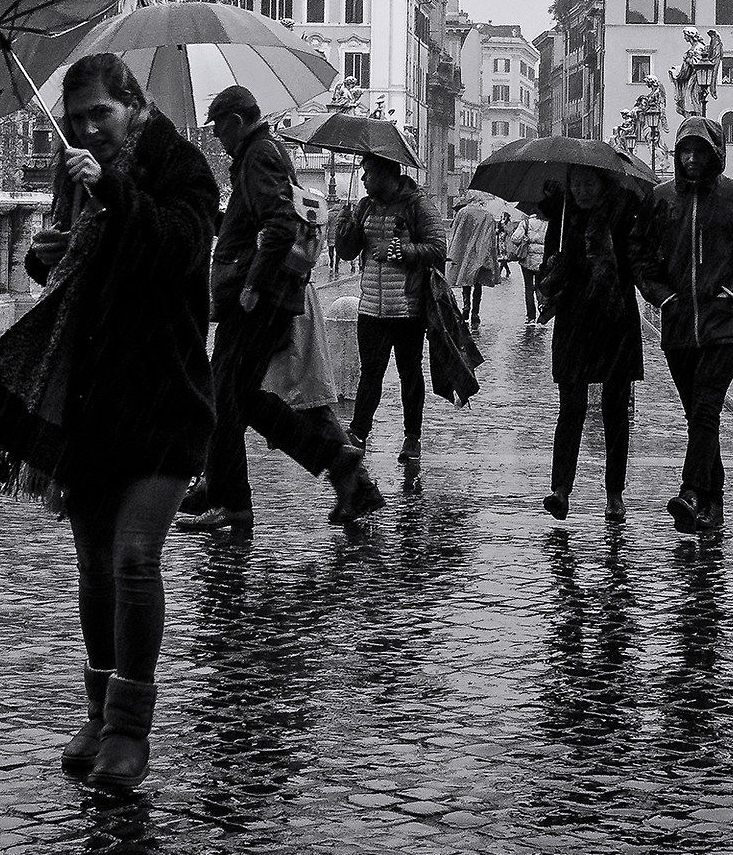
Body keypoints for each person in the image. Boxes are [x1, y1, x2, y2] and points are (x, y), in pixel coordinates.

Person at [16, 55, 222, 787]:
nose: (87, 128)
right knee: (95, 564)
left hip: (166, 394)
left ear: (133, 104)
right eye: (76, 119)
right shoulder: (74, 174)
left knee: (135, 557)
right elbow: (72, 269)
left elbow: (179, 243)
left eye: (99, 113)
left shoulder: (183, 166)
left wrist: (116, 189)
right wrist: (47, 255)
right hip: (94, 397)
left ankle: (131, 728)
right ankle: (100, 710)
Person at [180, 86, 384, 531]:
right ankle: (336, 459)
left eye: (218, 129)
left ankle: (232, 500)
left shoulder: (258, 156)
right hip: (272, 294)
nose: (217, 138)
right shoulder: (259, 156)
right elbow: (254, 222)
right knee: (244, 397)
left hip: (258, 298)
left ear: (235, 121)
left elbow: (277, 224)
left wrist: (252, 285)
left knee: (226, 396)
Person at [634, 115, 733, 536]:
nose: (692, 159)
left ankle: (692, 491)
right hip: (678, 326)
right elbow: (640, 255)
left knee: (705, 409)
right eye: (685, 151)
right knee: (699, 417)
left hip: (723, 327)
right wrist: (663, 295)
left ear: (715, 154)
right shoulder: (661, 199)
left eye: (699, 151)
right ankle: (713, 503)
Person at [538, 168, 642, 522]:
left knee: (615, 411)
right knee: (571, 408)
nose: (581, 190)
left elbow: (635, 264)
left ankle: (614, 494)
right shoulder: (563, 218)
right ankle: (561, 490)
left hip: (615, 319)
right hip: (575, 323)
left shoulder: (622, 216)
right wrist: (552, 269)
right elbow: (546, 272)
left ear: (602, 184)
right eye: (575, 183)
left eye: (588, 183)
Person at [335, 147, 447, 464]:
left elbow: (438, 249)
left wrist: (402, 251)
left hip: (407, 307)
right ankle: (358, 432)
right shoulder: (364, 206)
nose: (363, 177)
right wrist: (346, 227)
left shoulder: (418, 205)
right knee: (370, 372)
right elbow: (346, 252)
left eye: (367, 171)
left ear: (386, 173)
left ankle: (412, 437)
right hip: (371, 305)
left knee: (409, 373)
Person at [448, 193, 504, 330]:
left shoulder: (463, 212)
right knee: (478, 283)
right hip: (480, 252)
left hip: (465, 252)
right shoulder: (488, 216)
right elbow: (491, 239)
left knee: (466, 281)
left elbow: (455, 233)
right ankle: (475, 313)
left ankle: (466, 305)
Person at [514, 210, 548, 326]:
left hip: (527, 260)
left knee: (529, 289)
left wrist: (525, 238)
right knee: (540, 287)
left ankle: (531, 317)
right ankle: (542, 308)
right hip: (542, 261)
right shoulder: (548, 223)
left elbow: (515, 238)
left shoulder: (526, 223)